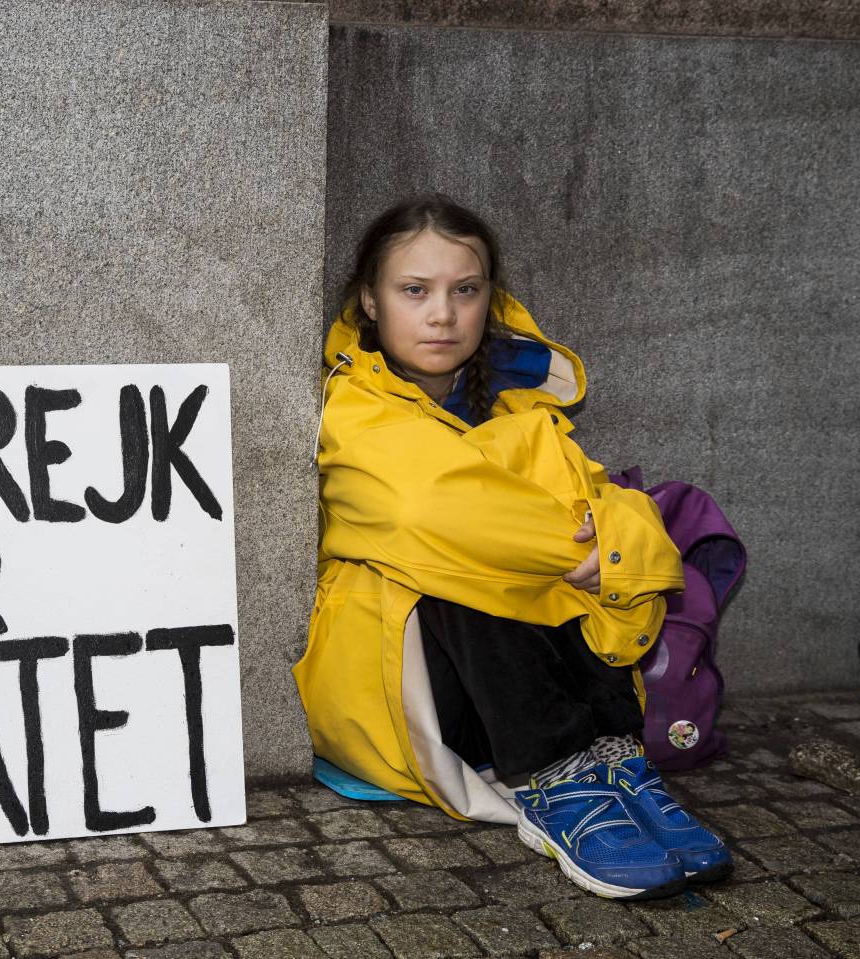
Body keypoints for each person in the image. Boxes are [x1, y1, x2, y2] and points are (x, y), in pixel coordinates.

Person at [295, 194, 731, 900]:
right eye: (415, 290)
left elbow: (624, 511)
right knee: (463, 562)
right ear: (370, 302)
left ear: (490, 299)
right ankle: (556, 781)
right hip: (413, 697)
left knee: (550, 552)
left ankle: (614, 761)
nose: (443, 314)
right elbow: (430, 510)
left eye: (465, 290)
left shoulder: (519, 405)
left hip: (523, 687)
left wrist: (614, 544)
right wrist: (591, 548)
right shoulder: (351, 406)